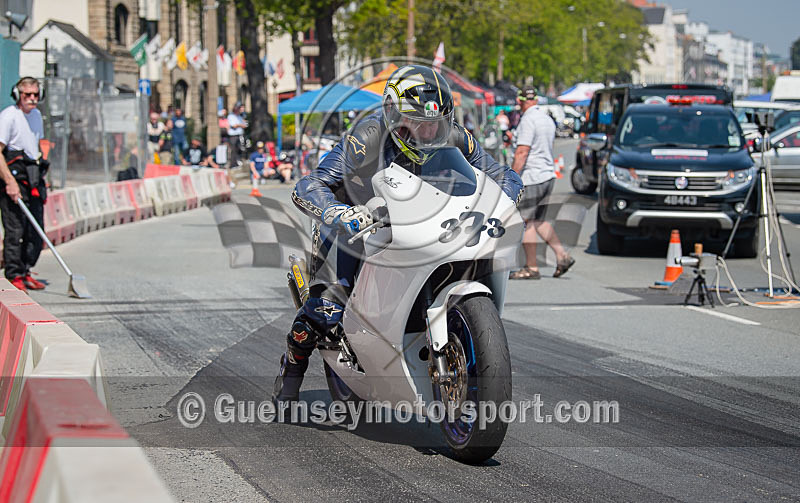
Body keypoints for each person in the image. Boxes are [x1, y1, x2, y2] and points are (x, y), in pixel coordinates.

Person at [272, 64, 524, 403]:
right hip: (358, 226)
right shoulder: (367, 136)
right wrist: (340, 213)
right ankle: (291, 371)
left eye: (435, 123)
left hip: (421, 222)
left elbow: (501, 175)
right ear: (392, 114)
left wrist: (503, 201)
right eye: (417, 123)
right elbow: (310, 184)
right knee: (326, 308)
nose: (427, 132)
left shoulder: (457, 138)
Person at [509, 86, 574, 280]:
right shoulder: (546, 118)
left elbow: (522, 152)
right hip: (547, 173)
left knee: (526, 222)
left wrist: (512, 176)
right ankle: (562, 256)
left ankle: (531, 267)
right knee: (539, 221)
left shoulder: (528, 120)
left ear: (521, 101)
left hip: (532, 176)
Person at [0, 76, 48, 292]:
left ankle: (26, 269)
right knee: (15, 230)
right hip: (13, 176)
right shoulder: (9, 116)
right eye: (27, 94)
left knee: (35, 230)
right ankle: (14, 274)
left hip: (33, 176)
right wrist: (10, 182)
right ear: (18, 95)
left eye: (35, 94)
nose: (32, 99)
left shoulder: (37, 115)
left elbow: (38, 145)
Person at [227, 103, 248, 167]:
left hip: (240, 135)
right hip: (233, 136)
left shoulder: (239, 116)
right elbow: (234, 125)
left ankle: (239, 161)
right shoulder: (231, 116)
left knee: (241, 148)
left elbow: (245, 125)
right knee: (234, 150)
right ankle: (233, 164)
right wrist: (241, 125)